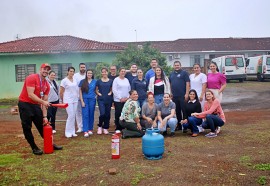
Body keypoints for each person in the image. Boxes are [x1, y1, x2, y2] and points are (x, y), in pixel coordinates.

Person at [18, 63, 62, 155]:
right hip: (25, 104)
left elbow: (45, 101)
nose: (45, 71)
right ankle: (34, 147)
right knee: (27, 127)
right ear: (40, 69)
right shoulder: (32, 78)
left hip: (36, 105)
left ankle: (50, 144)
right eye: (44, 69)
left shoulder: (46, 84)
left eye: (47, 70)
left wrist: (45, 116)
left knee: (42, 125)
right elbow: (31, 95)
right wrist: (43, 102)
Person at [169, 61, 190, 128]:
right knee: (177, 110)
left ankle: (185, 125)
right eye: (175, 65)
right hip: (174, 96)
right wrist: (171, 93)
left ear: (180, 66)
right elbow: (170, 84)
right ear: (173, 66)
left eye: (178, 65)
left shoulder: (184, 73)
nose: (176, 66)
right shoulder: (171, 74)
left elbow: (187, 83)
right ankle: (179, 125)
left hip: (182, 95)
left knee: (184, 110)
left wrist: (187, 93)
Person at [60, 67, 79, 138]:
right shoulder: (64, 81)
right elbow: (61, 92)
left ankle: (72, 132)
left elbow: (77, 89)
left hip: (75, 100)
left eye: (73, 71)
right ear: (68, 72)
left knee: (73, 115)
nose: (72, 73)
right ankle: (67, 132)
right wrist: (62, 100)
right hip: (68, 100)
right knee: (70, 115)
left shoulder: (75, 80)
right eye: (70, 71)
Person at [79, 69, 97, 138]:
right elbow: (80, 92)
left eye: (91, 73)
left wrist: (96, 95)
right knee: (85, 115)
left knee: (91, 114)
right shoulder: (82, 82)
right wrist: (82, 101)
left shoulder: (95, 81)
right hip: (85, 99)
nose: (89, 74)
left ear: (92, 74)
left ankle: (90, 129)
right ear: (86, 74)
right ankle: (85, 130)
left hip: (92, 100)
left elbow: (96, 90)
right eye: (88, 73)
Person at [95, 67, 113, 135]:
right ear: (101, 73)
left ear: (107, 72)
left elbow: (111, 89)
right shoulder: (98, 81)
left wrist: (110, 93)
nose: (104, 73)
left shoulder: (111, 81)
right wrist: (98, 93)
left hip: (108, 99)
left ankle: (105, 128)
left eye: (105, 72)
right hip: (101, 99)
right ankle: (100, 126)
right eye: (103, 72)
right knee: (102, 113)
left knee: (107, 114)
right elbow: (96, 89)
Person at [73, 63, 86, 133]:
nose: (83, 68)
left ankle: (85, 126)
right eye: (81, 67)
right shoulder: (75, 76)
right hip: (77, 97)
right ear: (79, 68)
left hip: (86, 97)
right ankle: (79, 127)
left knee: (85, 112)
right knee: (78, 112)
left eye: (84, 67)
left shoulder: (87, 75)